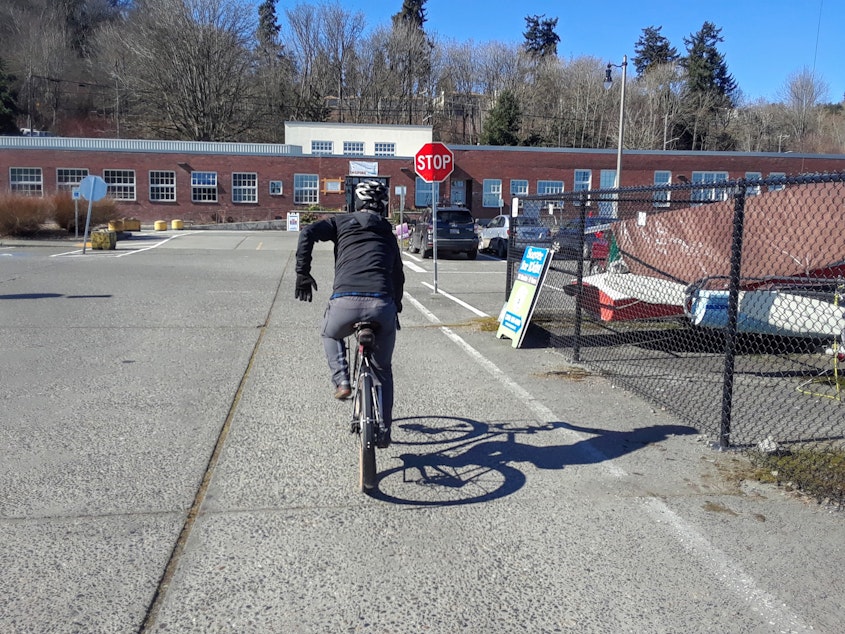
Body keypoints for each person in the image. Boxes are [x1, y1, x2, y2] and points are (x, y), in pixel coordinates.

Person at [294, 179, 404, 448]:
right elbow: (398, 274)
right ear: (383, 205)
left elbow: (307, 231)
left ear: (355, 202)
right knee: (383, 371)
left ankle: (342, 380)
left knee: (331, 335)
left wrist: (302, 273)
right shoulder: (388, 232)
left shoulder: (340, 222)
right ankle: (385, 430)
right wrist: (396, 306)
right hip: (381, 304)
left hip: (345, 302)